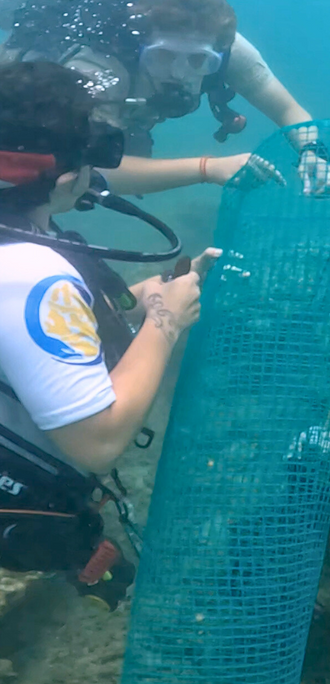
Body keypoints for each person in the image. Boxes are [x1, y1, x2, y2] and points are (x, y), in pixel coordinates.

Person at [0, 60, 220, 609]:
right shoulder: (31, 275)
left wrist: (143, 302)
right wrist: (165, 324)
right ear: (69, 176)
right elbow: (97, 440)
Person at [0, 0, 330, 195]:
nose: (178, 73)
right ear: (142, 45)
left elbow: (287, 110)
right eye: (164, 57)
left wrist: (314, 152)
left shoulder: (226, 46)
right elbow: (88, 169)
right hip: (45, 29)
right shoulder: (101, 72)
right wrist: (208, 168)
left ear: (216, 52)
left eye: (197, 61)